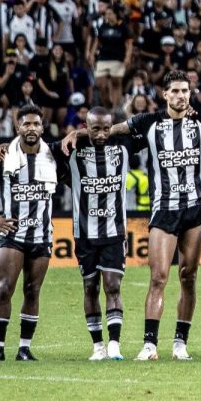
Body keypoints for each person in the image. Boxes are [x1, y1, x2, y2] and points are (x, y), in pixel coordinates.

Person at [62, 70, 201, 362]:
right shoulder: (149, 122)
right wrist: (76, 133)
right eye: (175, 91)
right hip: (164, 209)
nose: (181, 96)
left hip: (195, 209)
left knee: (188, 276)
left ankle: (180, 343)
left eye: (185, 91)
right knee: (159, 277)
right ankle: (149, 344)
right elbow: (111, 129)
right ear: (164, 94)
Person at [0, 105, 62, 361]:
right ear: (17, 128)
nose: (31, 129)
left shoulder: (54, 154)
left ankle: (24, 348)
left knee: (32, 290)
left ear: (43, 127)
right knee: (5, 287)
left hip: (42, 235)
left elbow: (81, 142)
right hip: (12, 235)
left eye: (36, 124)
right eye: (26, 124)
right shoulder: (4, 156)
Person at [62, 107, 144, 361]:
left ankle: (115, 345)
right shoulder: (72, 149)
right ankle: (97, 346)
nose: (100, 134)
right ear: (86, 126)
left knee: (113, 285)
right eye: (94, 128)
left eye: (106, 128)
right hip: (84, 234)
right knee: (90, 287)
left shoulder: (124, 145)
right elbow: (36, 146)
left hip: (114, 232)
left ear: (112, 127)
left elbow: (150, 126)